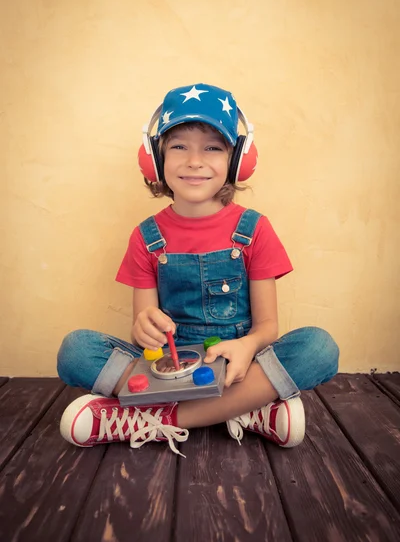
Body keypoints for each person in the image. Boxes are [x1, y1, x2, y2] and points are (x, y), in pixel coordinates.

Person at [57, 83, 339, 456]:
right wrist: (144, 326)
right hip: (167, 373)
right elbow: (143, 330)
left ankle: (152, 421)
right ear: (155, 160)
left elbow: (268, 328)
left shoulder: (255, 230)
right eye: (178, 146)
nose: (194, 161)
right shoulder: (146, 237)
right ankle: (246, 410)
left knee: (318, 347)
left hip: (237, 365)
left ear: (236, 161)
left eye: (212, 147)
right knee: (75, 350)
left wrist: (246, 346)